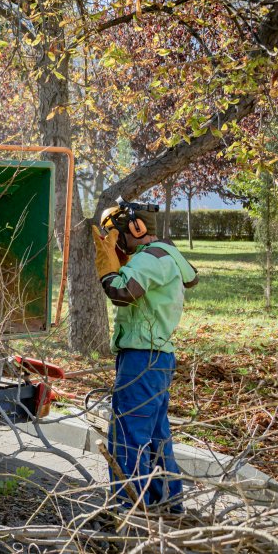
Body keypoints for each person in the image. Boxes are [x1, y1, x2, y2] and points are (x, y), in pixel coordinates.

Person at [93, 199, 198, 513]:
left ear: (135, 228)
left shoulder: (149, 259)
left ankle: (127, 509)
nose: (113, 242)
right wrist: (124, 260)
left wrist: (106, 265)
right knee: (154, 436)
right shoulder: (166, 254)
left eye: (114, 235)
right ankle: (167, 503)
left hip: (142, 357)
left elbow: (121, 293)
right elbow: (191, 276)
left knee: (127, 436)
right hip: (159, 357)